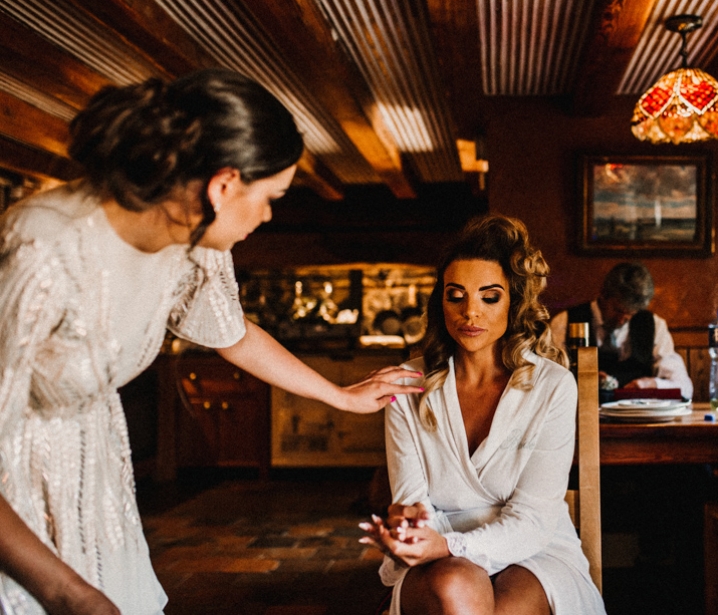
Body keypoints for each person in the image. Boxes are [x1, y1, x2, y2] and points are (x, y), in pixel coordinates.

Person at [0, 69, 419, 615]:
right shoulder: (40, 249)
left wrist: (339, 396)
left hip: (97, 481)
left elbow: (233, 333)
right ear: (223, 187)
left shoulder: (194, 238)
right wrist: (69, 593)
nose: (269, 216)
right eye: (272, 197)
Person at [359, 215, 606, 615]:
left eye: (489, 297)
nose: (470, 312)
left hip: (535, 548)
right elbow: (412, 502)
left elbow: (534, 519)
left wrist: (455, 546)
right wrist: (411, 530)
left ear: (515, 300)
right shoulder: (407, 385)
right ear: (441, 301)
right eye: (456, 296)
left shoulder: (553, 386)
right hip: (437, 551)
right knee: (454, 583)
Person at [549, 261, 693, 400]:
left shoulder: (654, 325)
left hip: (638, 418)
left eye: (631, 314)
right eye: (617, 310)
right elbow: (549, 381)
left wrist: (653, 384)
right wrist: (581, 381)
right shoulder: (564, 322)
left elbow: (684, 387)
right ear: (603, 295)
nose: (621, 320)